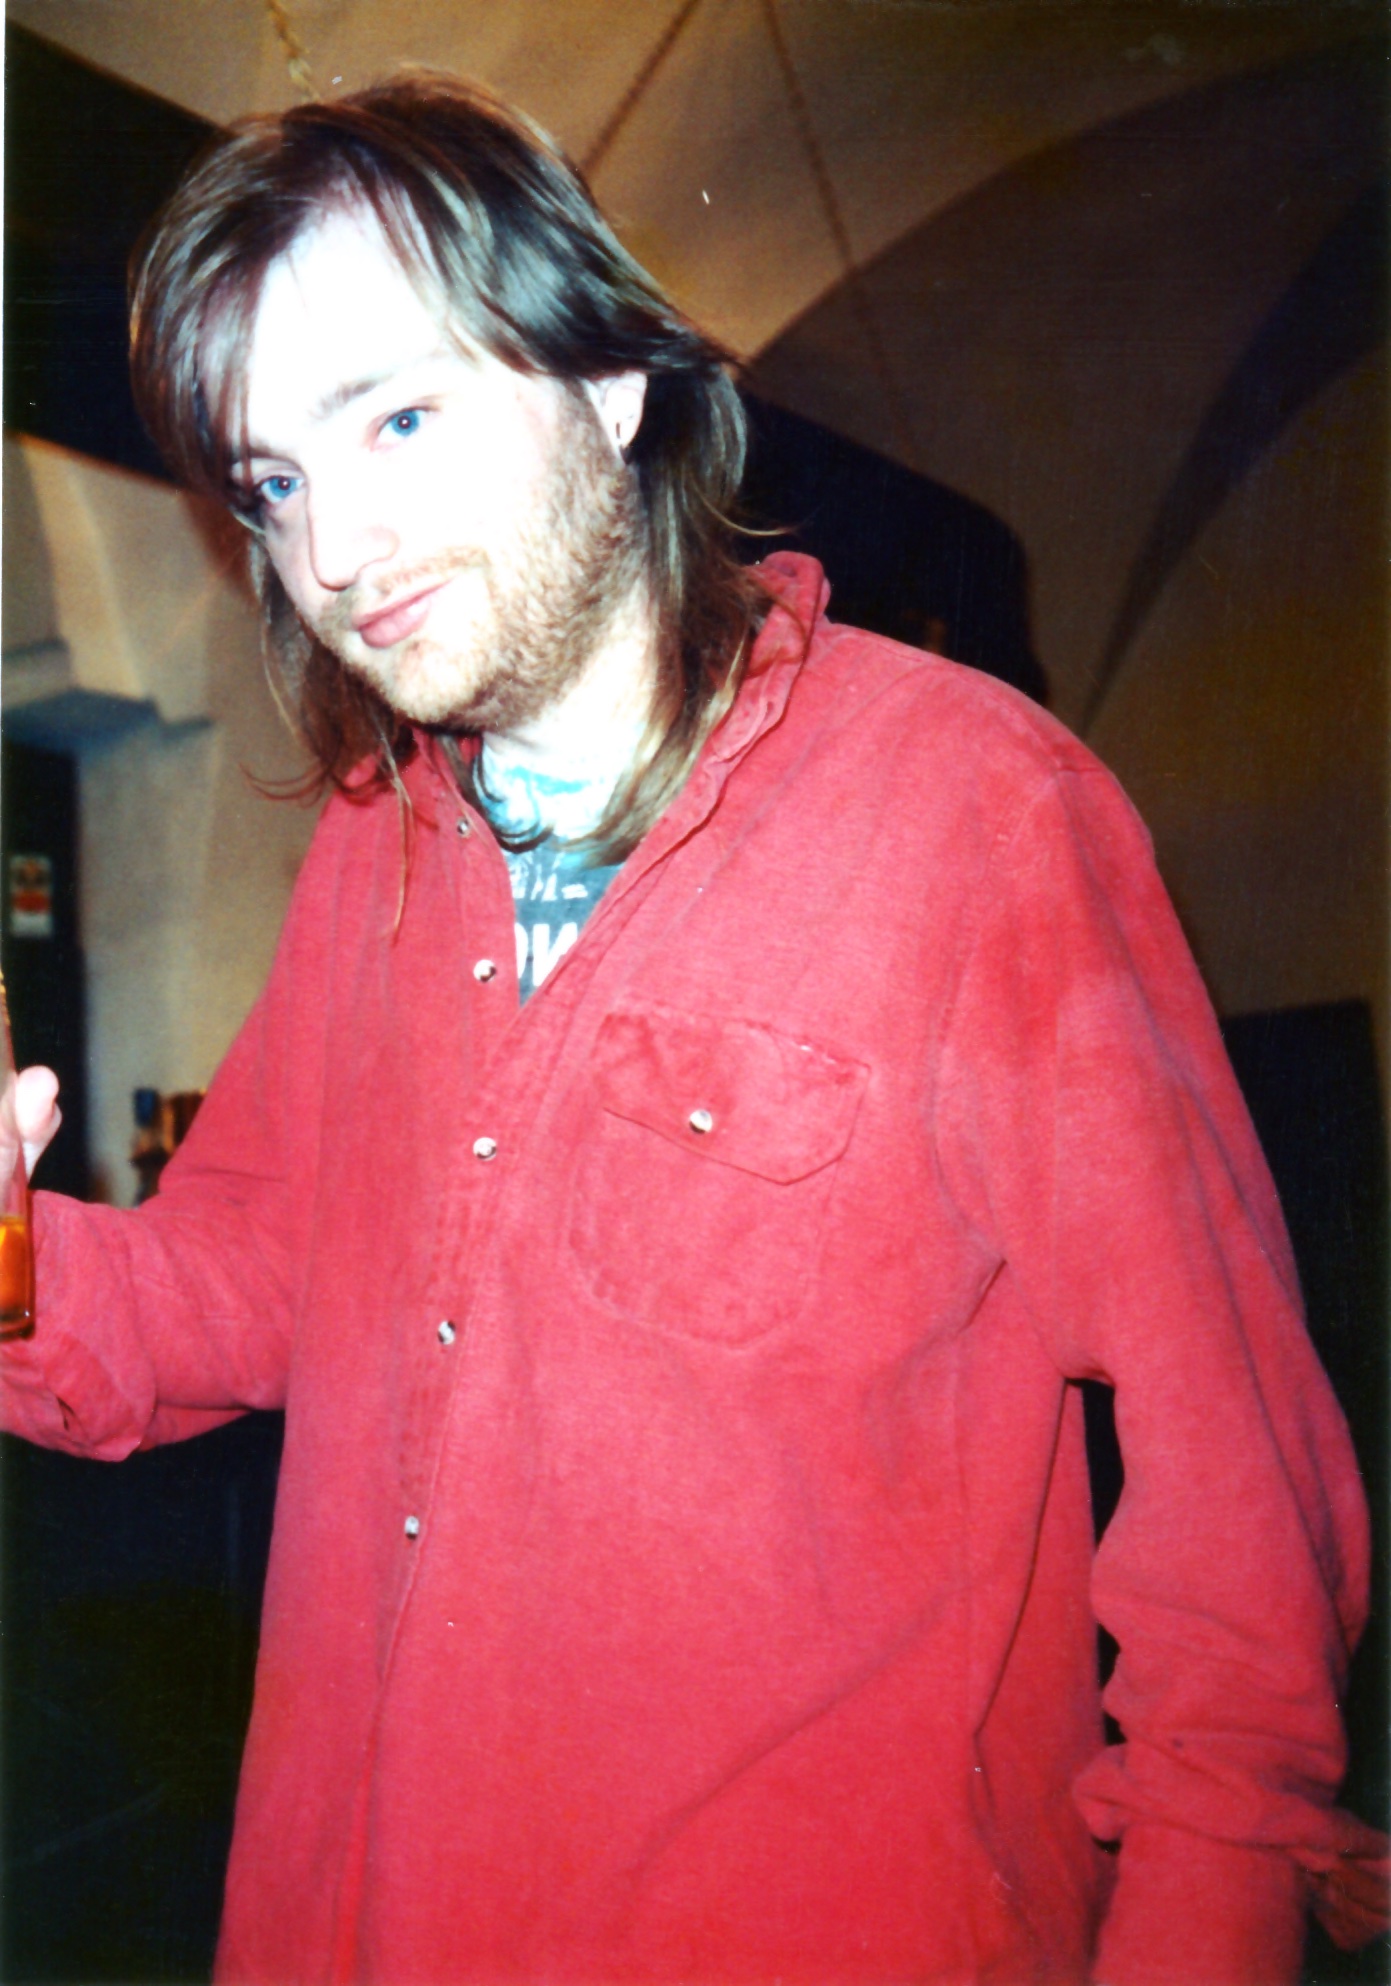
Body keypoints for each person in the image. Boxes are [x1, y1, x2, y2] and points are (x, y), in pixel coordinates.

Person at [4, 72, 1386, 1986]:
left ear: (606, 384)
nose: (332, 552)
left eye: (397, 417)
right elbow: (250, 1276)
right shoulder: (371, 849)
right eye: (276, 482)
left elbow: (1240, 1525)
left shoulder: (980, 815)